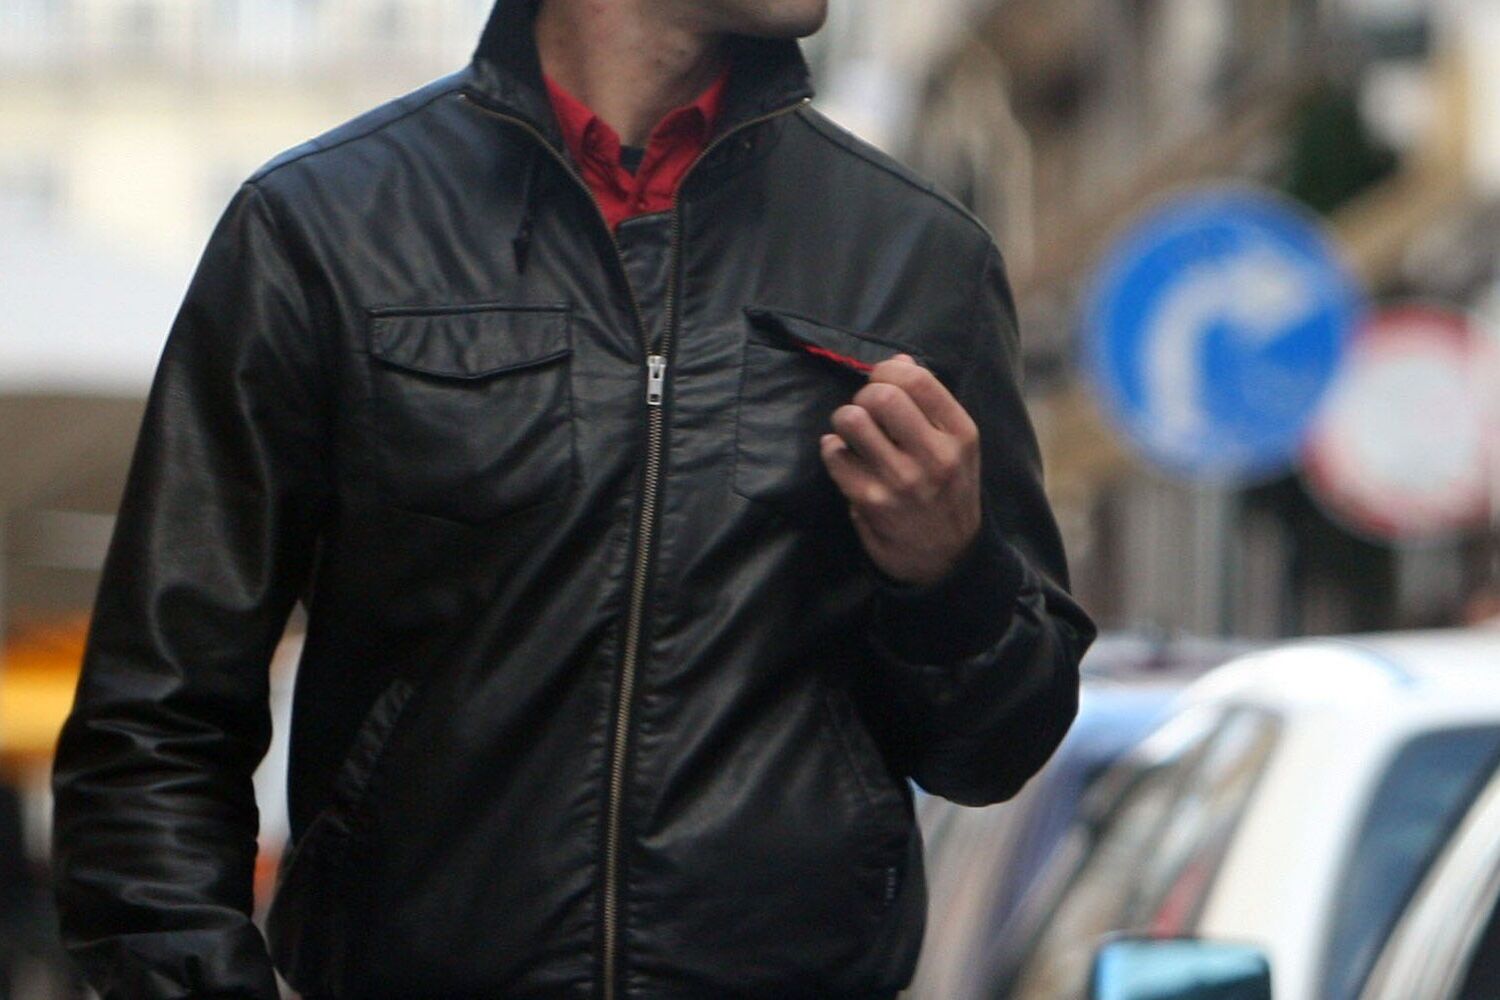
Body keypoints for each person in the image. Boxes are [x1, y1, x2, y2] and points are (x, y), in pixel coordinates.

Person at [49, 0, 1098, 996]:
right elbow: (155, 721)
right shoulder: (321, 230)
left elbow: (995, 753)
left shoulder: (918, 258)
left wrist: (952, 577)